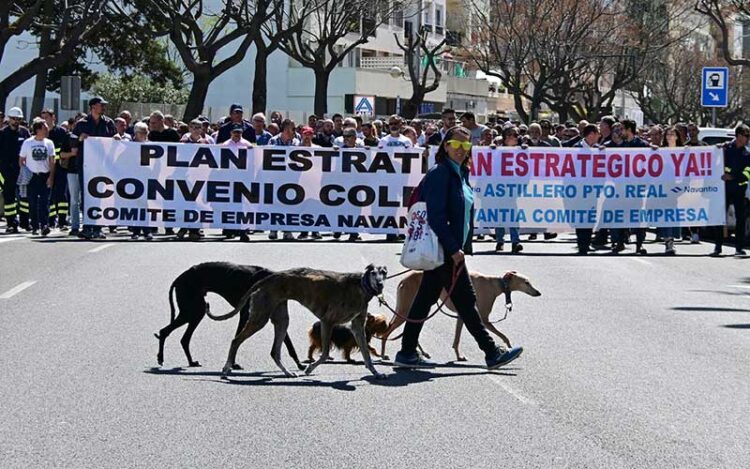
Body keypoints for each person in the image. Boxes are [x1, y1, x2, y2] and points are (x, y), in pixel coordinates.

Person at [393, 126, 523, 369]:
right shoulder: (441, 173)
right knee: (466, 301)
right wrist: (454, 249)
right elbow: (436, 216)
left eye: (466, 145)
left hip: (450, 249)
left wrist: (463, 245)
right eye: (456, 144)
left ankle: (407, 351)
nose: (461, 150)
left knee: (424, 299)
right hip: (443, 250)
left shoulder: (460, 173)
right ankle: (491, 352)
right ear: (445, 145)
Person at [73, 97, 117, 239]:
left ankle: (98, 227)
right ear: (93, 107)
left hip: (103, 166)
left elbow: (114, 135)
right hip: (85, 165)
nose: (103, 107)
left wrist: (116, 137)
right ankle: (87, 226)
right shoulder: (82, 123)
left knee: (101, 195)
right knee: (86, 196)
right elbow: (72, 141)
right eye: (100, 105)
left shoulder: (108, 122)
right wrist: (80, 138)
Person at [711, 124, 750, 257]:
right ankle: (717, 247)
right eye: (746, 136)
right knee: (720, 218)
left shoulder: (747, 153)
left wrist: (733, 177)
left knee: (741, 219)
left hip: (739, 189)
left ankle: (739, 247)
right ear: (738, 135)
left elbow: (747, 172)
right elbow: (714, 163)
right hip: (724, 189)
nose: (748, 138)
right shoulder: (725, 148)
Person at [19, 119, 56, 236]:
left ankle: (44, 225)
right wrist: (25, 172)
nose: (47, 130)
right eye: (44, 128)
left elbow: (52, 161)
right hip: (32, 176)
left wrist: (51, 176)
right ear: (38, 130)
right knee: (33, 202)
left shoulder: (49, 143)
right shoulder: (28, 143)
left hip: (44, 176)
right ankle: (35, 226)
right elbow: (21, 160)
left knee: (45, 201)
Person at [0, 107, 31, 232]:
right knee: (9, 198)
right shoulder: (2, 134)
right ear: (9, 119)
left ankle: (25, 222)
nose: (16, 121)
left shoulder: (24, 132)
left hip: (22, 170)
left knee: (25, 198)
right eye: (13, 119)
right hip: (6, 171)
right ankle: (11, 223)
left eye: (18, 119)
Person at [268, 119, 299, 241]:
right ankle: (273, 229)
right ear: (286, 129)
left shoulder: (296, 142)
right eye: (293, 128)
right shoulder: (273, 140)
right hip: (276, 177)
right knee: (275, 204)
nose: (294, 131)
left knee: (289, 204)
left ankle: (287, 230)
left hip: (291, 178)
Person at [573, 124, 601, 254]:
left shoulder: (598, 150)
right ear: (591, 134)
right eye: (597, 133)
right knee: (580, 217)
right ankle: (581, 244)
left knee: (590, 217)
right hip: (579, 191)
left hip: (593, 191)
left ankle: (587, 242)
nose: (599, 136)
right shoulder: (576, 149)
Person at [494, 126, 523, 253]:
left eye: (516, 135)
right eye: (511, 134)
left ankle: (515, 241)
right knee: (499, 214)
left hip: (514, 188)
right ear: (505, 137)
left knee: (513, 215)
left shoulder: (522, 151)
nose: (514, 137)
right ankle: (500, 240)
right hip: (498, 187)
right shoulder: (497, 150)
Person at [40, 109, 70, 230]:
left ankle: (62, 220)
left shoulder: (61, 132)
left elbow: (66, 149)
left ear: (53, 118)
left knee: (61, 194)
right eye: (42, 119)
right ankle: (51, 220)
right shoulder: (41, 133)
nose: (44, 121)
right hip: (46, 167)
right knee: (49, 194)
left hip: (61, 167)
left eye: (46, 118)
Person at [657, 126, 683, 255]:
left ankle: (671, 239)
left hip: (677, 187)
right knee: (665, 214)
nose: (670, 136)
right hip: (664, 188)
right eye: (668, 134)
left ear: (677, 137)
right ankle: (668, 242)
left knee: (672, 214)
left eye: (672, 134)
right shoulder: (661, 151)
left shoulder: (683, 151)